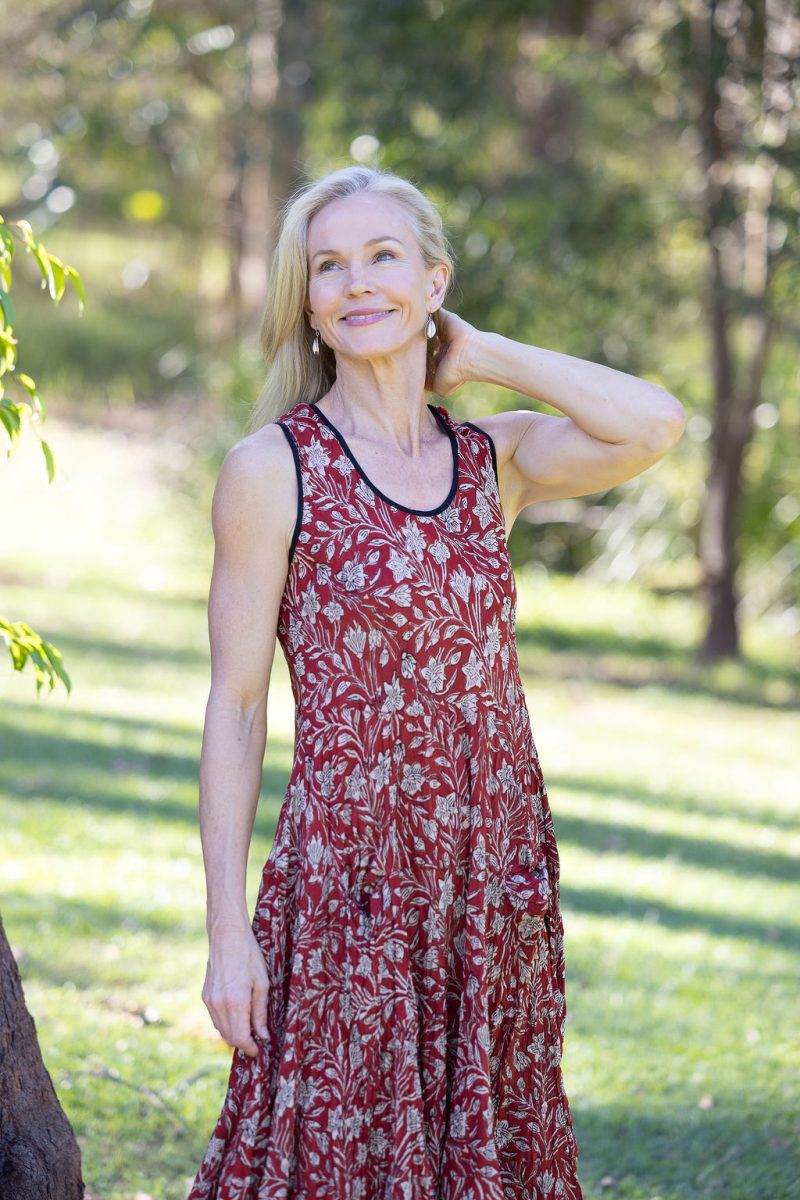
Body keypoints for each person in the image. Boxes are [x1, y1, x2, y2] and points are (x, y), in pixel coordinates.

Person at [185, 165, 685, 1200]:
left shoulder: (492, 461)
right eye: (329, 266)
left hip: (489, 872)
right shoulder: (273, 469)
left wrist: (483, 353)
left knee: (479, 1150)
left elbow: (653, 423)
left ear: (433, 281)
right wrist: (227, 934)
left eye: (383, 258)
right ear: (308, 302)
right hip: (351, 881)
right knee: (330, 1154)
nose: (356, 283)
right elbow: (235, 709)